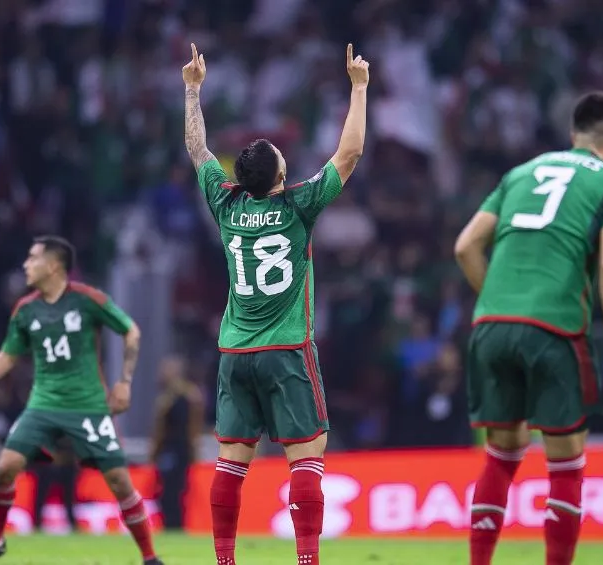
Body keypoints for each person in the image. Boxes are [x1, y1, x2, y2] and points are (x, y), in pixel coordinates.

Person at [181, 42, 369, 565]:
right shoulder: (299, 204)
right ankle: (307, 559)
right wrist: (358, 88)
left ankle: (224, 560)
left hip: (234, 351)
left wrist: (192, 89)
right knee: (305, 458)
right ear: (281, 176)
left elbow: (197, 149)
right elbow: (349, 154)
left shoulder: (225, 202)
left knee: (230, 462)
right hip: (286, 349)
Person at [454, 92, 603, 565]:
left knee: (502, 454)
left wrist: (501, 300)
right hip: (554, 329)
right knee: (565, 464)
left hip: (491, 326)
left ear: (574, 134)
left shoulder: (521, 173)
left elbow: (465, 247)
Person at [0, 235, 162, 565]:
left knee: (120, 481)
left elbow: (130, 330)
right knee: (5, 468)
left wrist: (124, 383)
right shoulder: (26, 309)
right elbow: (8, 355)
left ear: (53, 266)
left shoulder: (87, 299)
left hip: (88, 406)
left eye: (32, 258)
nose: (26, 265)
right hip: (43, 405)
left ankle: (149, 557)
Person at [150, 355, 204, 530]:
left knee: (172, 491)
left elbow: (165, 429)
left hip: (174, 450)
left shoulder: (178, 398)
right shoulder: (187, 396)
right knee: (171, 491)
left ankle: (174, 525)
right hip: (178, 450)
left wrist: (155, 451)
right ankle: (172, 525)